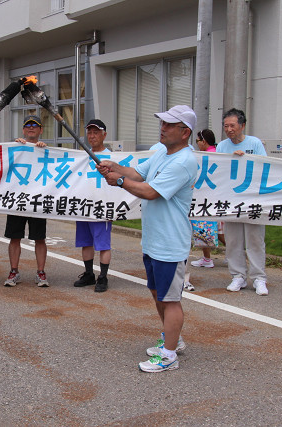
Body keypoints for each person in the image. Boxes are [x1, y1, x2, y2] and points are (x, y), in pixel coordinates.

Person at [98, 105, 198, 373]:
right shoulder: (163, 153)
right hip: (154, 239)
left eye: (168, 124)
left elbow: (150, 191)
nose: (162, 128)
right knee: (157, 293)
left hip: (170, 242)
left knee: (170, 298)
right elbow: (138, 175)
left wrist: (118, 181)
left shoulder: (184, 161)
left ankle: (169, 356)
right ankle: (171, 340)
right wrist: (115, 166)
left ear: (185, 132)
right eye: (162, 123)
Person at [216, 108, 269, 296]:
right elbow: (218, 170)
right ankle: (238, 275)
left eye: (232, 125)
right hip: (231, 200)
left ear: (242, 125)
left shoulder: (254, 143)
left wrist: (246, 159)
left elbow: (263, 166)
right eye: (225, 126)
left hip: (252, 199)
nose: (229, 129)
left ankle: (259, 278)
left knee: (255, 239)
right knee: (233, 240)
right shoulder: (222, 146)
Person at [3, 115, 49, 288]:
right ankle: (14, 271)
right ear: (23, 130)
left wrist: (44, 150)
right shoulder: (16, 147)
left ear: (41, 130)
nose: (31, 128)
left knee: (40, 238)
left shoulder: (46, 150)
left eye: (35, 126)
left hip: (38, 199)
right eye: (28, 125)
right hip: (17, 199)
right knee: (15, 237)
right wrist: (15, 145)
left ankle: (41, 273)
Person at [73, 119, 112, 292]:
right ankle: (89, 274)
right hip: (83, 206)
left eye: (96, 132)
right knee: (85, 242)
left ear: (104, 134)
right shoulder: (81, 156)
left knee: (103, 244)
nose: (92, 135)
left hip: (102, 207)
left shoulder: (112, 157)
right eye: (89, 132)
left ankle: (103, 277)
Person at [190, 129, 218, 269]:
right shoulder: (216, 153)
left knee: (204, 227)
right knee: (220, 231)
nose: (197, 144)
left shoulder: (207, 156)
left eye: (197, 141)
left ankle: (207, 259)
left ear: (204, 141)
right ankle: (233, 256)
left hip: (207, 199)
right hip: (218, 199)